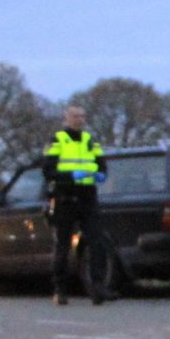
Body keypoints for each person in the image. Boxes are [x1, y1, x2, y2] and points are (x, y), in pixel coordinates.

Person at [41, 104, 110, 306]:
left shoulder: (91, 140)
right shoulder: (57, 140)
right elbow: (48, 171)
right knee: (63, 246)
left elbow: (102, 164)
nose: (80, 120)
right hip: (65, 198)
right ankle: (60, 289)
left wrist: (102, 174)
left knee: (97, 242)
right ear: (67, 118)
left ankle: (98, 287)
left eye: (82, 116)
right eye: (76, 116)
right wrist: (71, 176)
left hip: (88, 198)